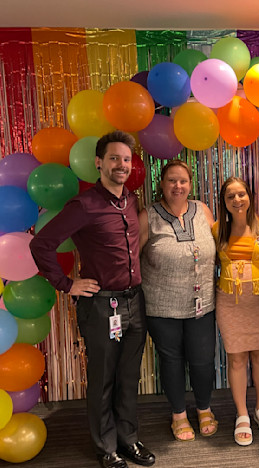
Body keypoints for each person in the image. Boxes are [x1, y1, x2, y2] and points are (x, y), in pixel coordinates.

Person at [30, 131, 155, 468]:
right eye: (114, 158)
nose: (122, 165)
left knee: (129, 377)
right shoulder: (83, 204)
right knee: (103, 379)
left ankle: (129, 439)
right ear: (99, 162)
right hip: (101, 306)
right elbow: (40, 245)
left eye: (126, 159)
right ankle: (106, 446)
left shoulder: (131, 200)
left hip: (135, 302)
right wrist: (65, 283)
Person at [139, 159, 218, 443]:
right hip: (161, 306)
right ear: (161, 183)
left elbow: (223, 246)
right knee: (171, 361)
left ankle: (204, 408)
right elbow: (131, 258)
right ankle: (178, 414)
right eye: (171, 180)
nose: (178, 186)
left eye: (183, 180)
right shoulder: (148, 215)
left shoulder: (202, 211)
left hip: (202, 304)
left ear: (190, 184)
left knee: (202, 361)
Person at [212, 177, 259, 446]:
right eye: (230, 196)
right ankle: (242, 413)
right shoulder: (217, 230)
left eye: (241, 194)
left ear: (249, 196)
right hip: (230, 303)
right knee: (237, 358)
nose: (237, 200)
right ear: (224, 202)